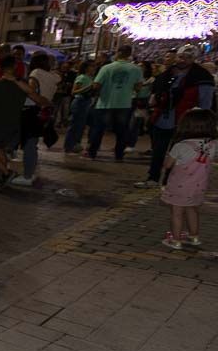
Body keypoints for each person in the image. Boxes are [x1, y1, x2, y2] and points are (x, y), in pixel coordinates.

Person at [138, 44, 217, 187]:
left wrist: (201, 122)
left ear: (193, 59)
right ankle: (153, 178)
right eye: (181, 57)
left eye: (188, 58)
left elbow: (205, 103)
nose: (183, 60)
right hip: (162, 118)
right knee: (158, 151)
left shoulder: (201, 77)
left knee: (179, 154)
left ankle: (169, 181)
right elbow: (156, 93)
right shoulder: (167, 74)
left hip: (185, 122)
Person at [0, 54, 49, 184]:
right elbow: (37, 99)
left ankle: (7, 172)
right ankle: (2, 173)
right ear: (15, 66)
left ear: (0, 67)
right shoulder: (22, 84)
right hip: (15, 123)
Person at [159, 109, 217, 250]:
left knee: (177, 213)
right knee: (193, 210)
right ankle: (194, 237)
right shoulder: (214, 144)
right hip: (199, 186)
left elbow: (167, 165)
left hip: (179, 186)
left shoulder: (181, 146)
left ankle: (176, 240)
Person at [86, 45, 142, 161]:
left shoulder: (106, 68)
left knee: (99, 129)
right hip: (124, 103)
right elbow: (138, 87)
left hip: (105, 103)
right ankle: (119, 155)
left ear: (119, 52)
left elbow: (96, 85)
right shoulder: (136, 69)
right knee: (122, 131)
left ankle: (92, 153)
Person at [12, 52, 59, 187]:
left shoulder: (36, 73)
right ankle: (29, 173)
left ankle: (27, 175)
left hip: (32, 110)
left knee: (29, 144)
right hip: (44, 112)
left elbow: (31, 91)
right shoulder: (53, 77)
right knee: (32, 143)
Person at [63, 61, 98, 153]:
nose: (94, 68)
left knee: (83, 125)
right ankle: (70, 145)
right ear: (86, 68)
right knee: (76, 125)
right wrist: (89, 87)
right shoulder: (82, 77)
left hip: (88, 103)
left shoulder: (91, 78)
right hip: (80, 102)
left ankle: (77, 143)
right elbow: (74, 92)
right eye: (92, 66)